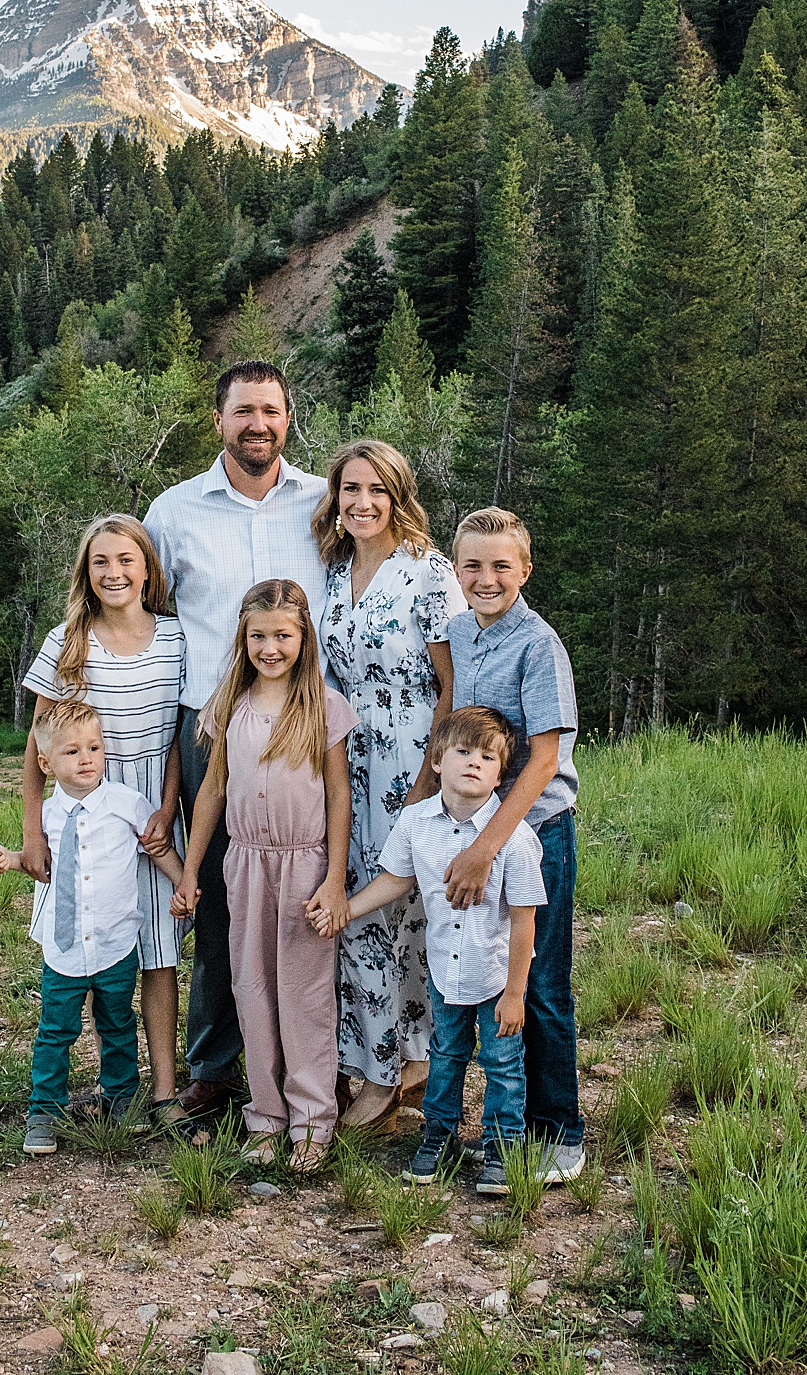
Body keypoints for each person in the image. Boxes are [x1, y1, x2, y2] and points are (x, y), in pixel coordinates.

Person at [144, 361, 328, 1118]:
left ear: (289, 419)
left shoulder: (324, 501)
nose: (259, 423)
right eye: (244, 411)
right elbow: (146, 615)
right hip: (211, 727)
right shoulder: (174, 511)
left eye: (272, 411)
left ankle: (318, 1066)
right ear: (217, 419)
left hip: (307, 727)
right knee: (218, 896)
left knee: (313, 891)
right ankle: (216, 1068)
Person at [408, 505, 583, 1182]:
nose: (487, 578)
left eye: (500, 566)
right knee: (477, 978)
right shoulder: (458, 629)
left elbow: (541, 760)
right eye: (474, 566)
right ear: (457, 571)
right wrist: (423, 805)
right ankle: (500, 1129)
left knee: (538, 984)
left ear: (525, 570)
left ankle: (559, 1132)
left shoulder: (539, 645)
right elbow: (449, 717)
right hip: (472, 826)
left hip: (533, 831)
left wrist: (486, 849)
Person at [310, 707, 545, 1195]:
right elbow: (397, 880)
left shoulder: (515, 838)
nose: (473, 763)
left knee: (502, 1062)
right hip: (443, 971)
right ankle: (439, 1135)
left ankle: (504, 1145)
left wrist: (516, 993)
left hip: (496, 977)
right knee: (446, 1054)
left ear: (502, 773)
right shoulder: (417, 822)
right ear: (437, 760)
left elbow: (525, 920)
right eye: (462, 752)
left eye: (487, 757)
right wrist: (347, 911)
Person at [172, 578, 357, 1172]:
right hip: (244, 862)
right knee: (250, 989)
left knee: (302, 995)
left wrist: (333, 877)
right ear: (242, 638)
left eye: (283, 635)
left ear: (304, 637)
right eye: (258, 635)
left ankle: (311, 1119)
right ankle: (266, 1114)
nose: (270, 647)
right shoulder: (228, 703)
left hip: (304, 864)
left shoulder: (322, 707)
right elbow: (210, 794)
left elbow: (338, 797)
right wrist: (192, 869)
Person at [312, 439, 465, 1135]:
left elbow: (453, 684)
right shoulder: (334, 571)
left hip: (412, 762)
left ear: (398, 496)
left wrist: (429, 779)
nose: (362, 502)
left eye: (377, 490)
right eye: (350, 489)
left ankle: (395, 1070)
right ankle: (383, 1060)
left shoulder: (428, 572)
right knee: (359, 913)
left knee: (400, 914)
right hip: (347, 760)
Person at [17, 515, 188, 1120]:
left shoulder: (174, 637)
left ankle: (162, 1088)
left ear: (147, 568)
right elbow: (40, 742)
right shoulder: (69, 639)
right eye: (100, 563)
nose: (113, 573)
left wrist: (168, 809)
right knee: (92, 942)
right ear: (86, 574)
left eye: (125, 561)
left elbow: (176, 739)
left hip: (152, 812)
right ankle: (84, 1081)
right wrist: (32, 829)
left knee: (158, 949)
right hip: (87, 808)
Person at [0, 698, 185, 1155]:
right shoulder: (47, 817)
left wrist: (184, 882)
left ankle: (120, 1097)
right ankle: (45, 1110)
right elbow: (39, 863)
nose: (87, 760)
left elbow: (156, 847)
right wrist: (10, 860)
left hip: (116, 942)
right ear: (46, 762)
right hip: (65, 947)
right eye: (73, 752)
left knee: (117, 1021)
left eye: (94, 748)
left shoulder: (124, 803)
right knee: (56, 1029)